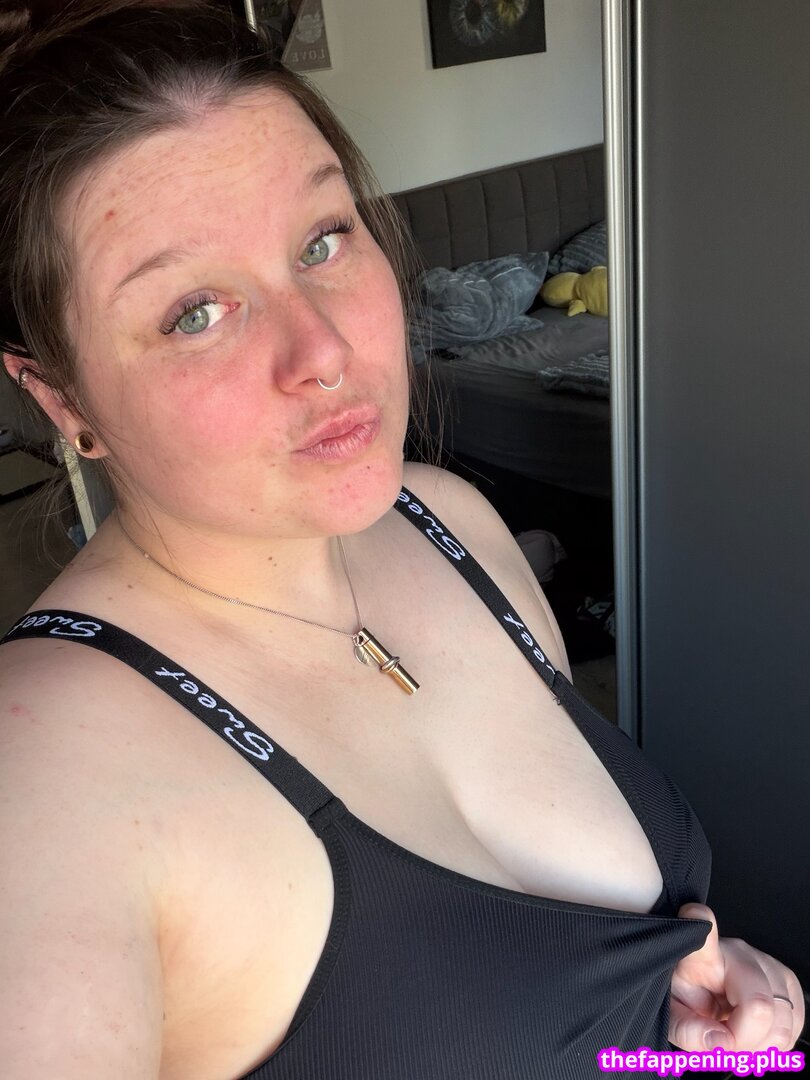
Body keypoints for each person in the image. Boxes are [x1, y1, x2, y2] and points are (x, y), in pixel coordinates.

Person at [0, 3, 803, 1077]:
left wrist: (696, 1016)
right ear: (60, 399)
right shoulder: (41, 776)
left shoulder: (446, 519)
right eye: (195, 311)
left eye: (323, 242)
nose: (324, 350)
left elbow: (552, 993)